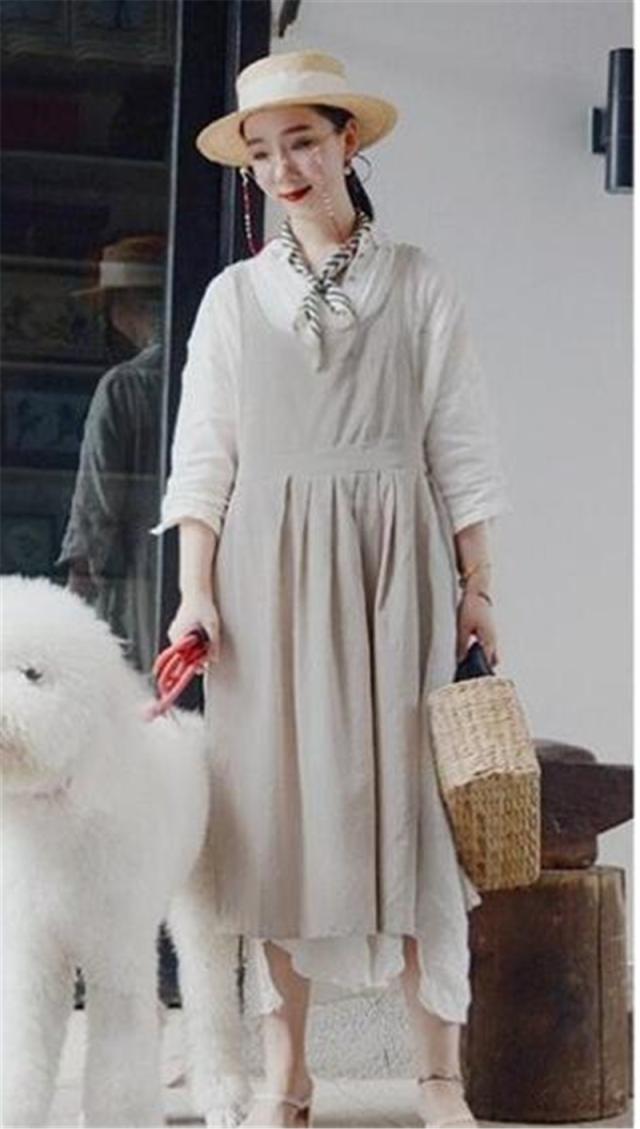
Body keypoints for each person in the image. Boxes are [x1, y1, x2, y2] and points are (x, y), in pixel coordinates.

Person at [152, 50, 511, 1129]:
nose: (283, 169)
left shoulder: (418, 281)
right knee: (272, 819)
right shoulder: (231, 299)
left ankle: (438, 1076)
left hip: (396, 568)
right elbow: (203, 460)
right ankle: (287, 1078)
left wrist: (479, 585)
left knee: (416, 815)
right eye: (262, 154)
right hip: (263, 574)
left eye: (302, 141)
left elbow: (461, 445)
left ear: (348, 142)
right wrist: (195, 592)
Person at [57, 235, 165, 673]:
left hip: (136, 571)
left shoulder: (125, 385)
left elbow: (96, 502)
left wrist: (78, 585)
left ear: (126, 304)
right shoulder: (205, 371)